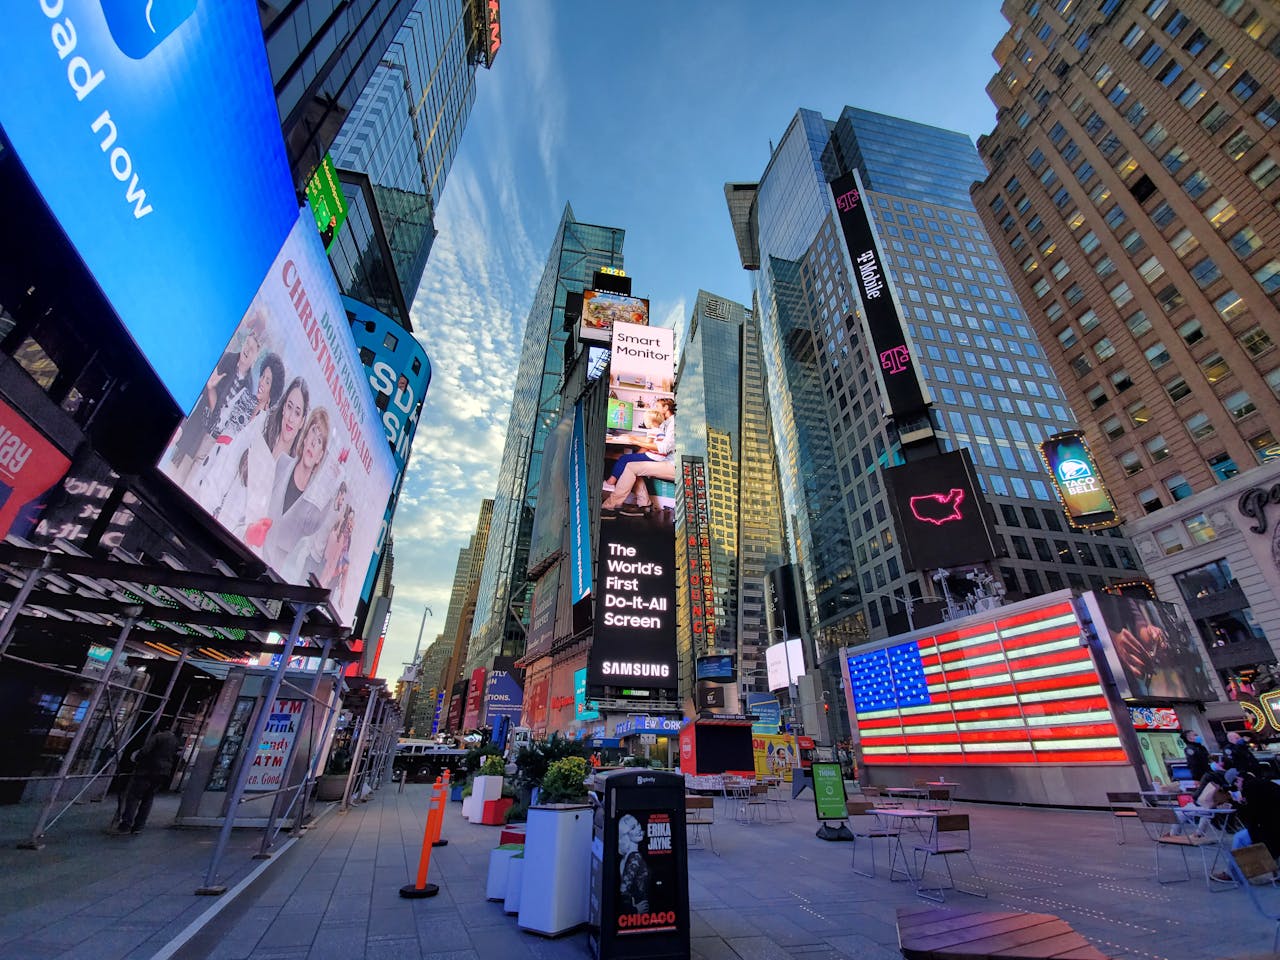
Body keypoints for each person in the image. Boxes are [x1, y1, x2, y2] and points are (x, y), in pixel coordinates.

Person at [196, 377, 309, 537]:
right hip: (210, 528)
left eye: (297, 412)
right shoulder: (260, 428)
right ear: (283, 408)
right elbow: (220, 475)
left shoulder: (291, 472)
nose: (291, 418)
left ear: (302, 420)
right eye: (289, 407)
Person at [169, 328, 262, 483]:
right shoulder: (227, 359)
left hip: (214, 440)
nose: (247, 350)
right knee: (177, 470)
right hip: (200, 425)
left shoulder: (249, 385)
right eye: (247, 344)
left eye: (252, 349)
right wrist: (212, 398)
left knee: (192, 482)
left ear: (256, 356)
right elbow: (209, 387)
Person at [250, 408, 333, 570]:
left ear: (320, 456)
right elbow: (258, 502)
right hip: (249, 549)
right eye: (313, 433)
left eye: (320, 441)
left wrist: (328, 499)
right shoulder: (282, 464)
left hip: (272, 573)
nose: (314, 443)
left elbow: (311, 529)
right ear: (305, 438)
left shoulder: (316, 499)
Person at [602, 398, 676, 518]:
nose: (654, 409)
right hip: (664, 461)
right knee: (632, 466)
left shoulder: (673, 424)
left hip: (672, 465)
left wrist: (635, 441)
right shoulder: (665, 423)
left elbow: (663, 448)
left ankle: (609, 507)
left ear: (666, 408)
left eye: (657, 407)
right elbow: (654, 439)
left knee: (630, 466)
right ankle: (644, 505)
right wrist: (632, 438)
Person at [117, 724, 181, 835]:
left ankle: (126, 825)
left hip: (147, 770)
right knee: (148, 798)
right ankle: (139, 826)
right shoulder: (175, 740)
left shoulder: (158, 736)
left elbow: (145, 751)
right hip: (163, 773)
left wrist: (137, 758)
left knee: (134, 797)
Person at [617, 814, 650, 914]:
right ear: (626, 834)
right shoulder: (635, 857)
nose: (639, 828)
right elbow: (623, 891)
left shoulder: (628, 856)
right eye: (633, 828)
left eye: (637, 824)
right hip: (640, 910)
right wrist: (634, 910)